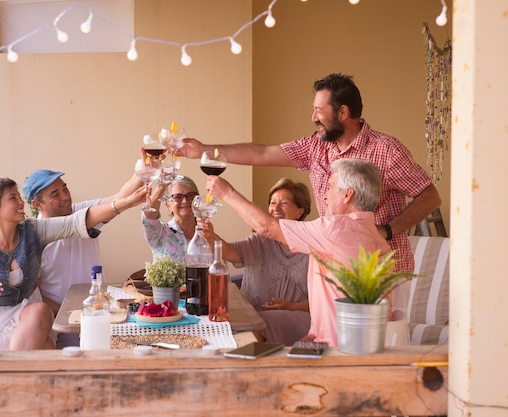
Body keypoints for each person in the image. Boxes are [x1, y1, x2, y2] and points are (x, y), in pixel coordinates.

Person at [177, 73, 441, 274]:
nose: (312, 116)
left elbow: (430, 197)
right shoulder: (315, 145)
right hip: (333, 270)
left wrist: (387, 230)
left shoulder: (386, 150)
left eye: (319, 110)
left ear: (343, 112)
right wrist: (204, 149)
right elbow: (263, 154)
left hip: (381, 273)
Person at [205, 158, 391, 347]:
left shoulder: (337, 228)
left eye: (331, 187)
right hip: (361, 343)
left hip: (337, 349)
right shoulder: (376, 237)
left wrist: (226, 192)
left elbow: (266, 227)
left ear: (347, 195)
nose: (325, 196)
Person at [0, 177, 146, 351]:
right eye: (13, 198)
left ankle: (16, 376)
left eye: (19, 196)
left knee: (40, 310)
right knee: (48, 349)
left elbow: (75, 223)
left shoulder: (34, 230)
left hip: (20, 313)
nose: (21, 203)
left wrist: (125, 203)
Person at [23, 169, 144, 348]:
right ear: (37, 204)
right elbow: (36, 295)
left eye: (65, 188)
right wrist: (70, 314)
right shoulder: (33, 237)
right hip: (60, 326)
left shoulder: (82, 213)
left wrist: (144, 169)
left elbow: (119, 198)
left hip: (100, 316)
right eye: (55, 194)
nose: (65, 197)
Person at [199, 178, 312, 345]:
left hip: (297, 317)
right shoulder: (261, 240)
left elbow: (326, 301)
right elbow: (230, 252)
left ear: (300, 211)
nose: (276, 208)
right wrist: (210, 236)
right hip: (251, 315)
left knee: (255, 324)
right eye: (272, 203)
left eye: (284, 203)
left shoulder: (313, 245)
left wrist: (290, 306)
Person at [141, 176, 200, 263]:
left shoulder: (207, 233)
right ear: (168, 205)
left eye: (190, 196)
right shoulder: (160, 233)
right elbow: (148, 218)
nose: (185, 201)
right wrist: (161, 187)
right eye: (178, 197)